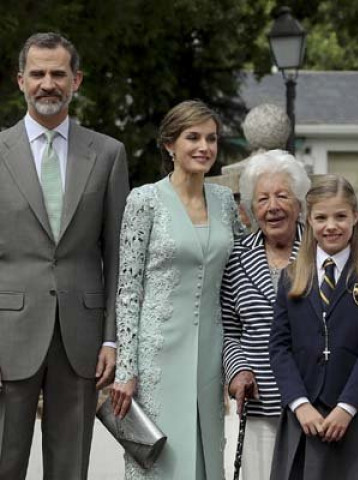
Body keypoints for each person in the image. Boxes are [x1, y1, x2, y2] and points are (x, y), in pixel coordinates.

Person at [0, 32, 129, 479]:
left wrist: (113, 338)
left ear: (77, 80)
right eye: (37, 73)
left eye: (58, 73)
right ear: (21, 81)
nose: (47, 83)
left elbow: (118, 257)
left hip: (83, 338)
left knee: (70, 467)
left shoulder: (109, 154)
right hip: (8, 334)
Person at [110, 100, 245, 479]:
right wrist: (127, 368)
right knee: (160, 459)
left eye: (212, 138)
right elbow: (128, 290)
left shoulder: (223, 202)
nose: (204, 147)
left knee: (204, 458)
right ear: (170, 145)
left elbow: (241, 270)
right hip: (156, 357)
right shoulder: (144, 200)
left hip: (209, 353)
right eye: (193, 137)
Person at [268, 174, 358, 480]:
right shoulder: (292, 276)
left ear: (355, 217)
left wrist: (347, 406)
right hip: (303, 414)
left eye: (340, 216)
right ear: (309, 220)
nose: (331, 225)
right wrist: (299, 403)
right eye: (321, 217)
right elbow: (279, 347)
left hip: (353, 415)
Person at [221, 149, 310, 480]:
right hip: (259, 405)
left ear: (299, 203)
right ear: (250, 210)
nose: (273, 206)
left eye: (282, 196)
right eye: (262, 199)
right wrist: (238, 371)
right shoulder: (235, 259)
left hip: (311, 403)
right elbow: (229, 330)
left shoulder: (319, 253)